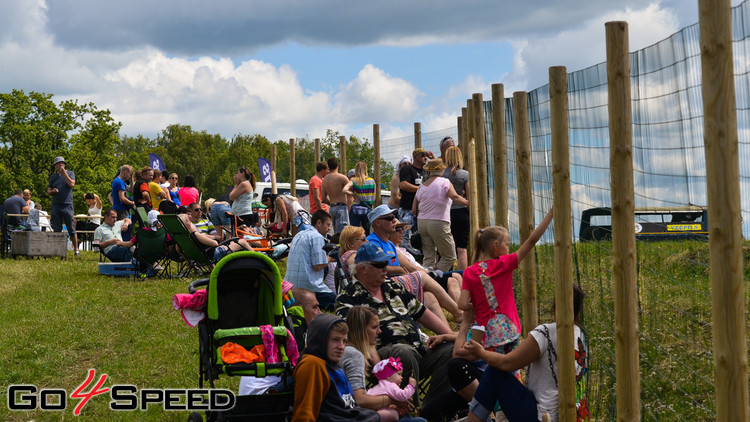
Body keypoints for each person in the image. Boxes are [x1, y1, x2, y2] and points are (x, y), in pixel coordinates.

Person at [335, 242, 456, 406]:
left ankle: (432, 408)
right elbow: (352, 337)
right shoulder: (349, 298)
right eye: (380, 265)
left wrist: (449, 335)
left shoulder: (393, 287)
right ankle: (408, 406)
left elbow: (422, 313)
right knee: (404, 352)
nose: (386, 268)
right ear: (362, 268)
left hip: (417, 348)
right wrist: (377, 363)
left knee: (452, 349)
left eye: (386, 263)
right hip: (379, 359)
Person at [464, 285, 589, 422]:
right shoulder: (581, 338)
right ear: (579, 312)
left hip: (542, 416)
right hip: (572, 415)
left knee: (494, 373)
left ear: (555, 306)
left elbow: (506, 363)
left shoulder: (546, 333)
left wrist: (481, 352)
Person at [458, 209, 554, 355]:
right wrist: (550, 215)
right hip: (510, 329)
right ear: (495, 245)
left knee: (494, 366)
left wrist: (476, 304)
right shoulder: (504, 264)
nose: (509, 249)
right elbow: (531, 241)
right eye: (507, 245)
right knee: (512, 366)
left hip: (487, 334)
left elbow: (462, 304)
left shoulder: (469, 272)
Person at [366, 204, 463, 324]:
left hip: (401, 282)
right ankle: (459, 312)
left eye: (394, 217)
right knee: (429, 276)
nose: (394, 221)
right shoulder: (372, 243)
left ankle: (447, 333)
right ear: (378, 223)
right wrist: (400, 270)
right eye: (389, 218)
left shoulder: (389, 244)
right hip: (388, 284)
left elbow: (409, 266)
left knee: (428, 296)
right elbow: (375, 267)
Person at [292, 313, 379, 422]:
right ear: (320, 339)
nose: (341, 347)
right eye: (335, 340)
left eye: (344, 341)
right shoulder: (312, 364)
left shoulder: (334, 363)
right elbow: (304, 413)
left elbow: (351, 405)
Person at [412, 158, 469, 272]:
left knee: (428, 258)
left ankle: (427, 280)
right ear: (442, 170)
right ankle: (435, 277)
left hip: (422, 223)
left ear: (429, 171)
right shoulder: (444, 182)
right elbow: (455, 196)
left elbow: (414, 210)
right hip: (439, 222)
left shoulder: (421, 186)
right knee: (450, 256)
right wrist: (468, 203)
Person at [389, 219, 462, 305]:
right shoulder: (394, 250)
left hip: (423, 273)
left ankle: (465, 309)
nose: (401, 232)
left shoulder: (402, 249)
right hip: (420, 276)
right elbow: (410, 268)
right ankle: (462, 311)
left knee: (458, 275)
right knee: (456, 277)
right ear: (388, 233)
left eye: (402, 229)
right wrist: (431, 273)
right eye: (397, 229)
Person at [283, 210, 335, 311]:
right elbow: (318, 266)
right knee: (338, 303)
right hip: (310, 288)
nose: (329, 228)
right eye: (328, 225)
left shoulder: (299, 234)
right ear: (319, 223)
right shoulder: (317, 237)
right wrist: (330, 258)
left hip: (290, 289)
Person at [443, 146, 470, 270]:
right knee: (462, 250)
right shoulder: (465, 174)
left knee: (447, 250)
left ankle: (448, 277)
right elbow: (469, 198)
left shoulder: (442, 174)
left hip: (445, 213)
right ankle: (462, 279)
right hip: (461, 212)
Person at [398, 148, 429, 250]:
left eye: (426, 155)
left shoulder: (426, 171)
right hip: (408, 210)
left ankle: (420, 259)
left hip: (422, 211)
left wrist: (432, 158)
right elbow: (403, 184)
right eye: (423, 155)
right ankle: (407, 259)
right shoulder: (407, 169)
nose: (425, 157)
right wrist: (421, 189)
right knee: (407, 238)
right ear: (415, 157)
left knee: (422, 238)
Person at [47, 156, 79, 255]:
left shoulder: (70, 173)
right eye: (58, 163)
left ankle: (76, 250)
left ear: (64, 164)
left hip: (67, 205)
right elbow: (48, 191)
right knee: (56, 229)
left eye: (62, 163)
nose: (60, 164)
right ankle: (58, 250)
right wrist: (53, 191)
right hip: (56, 205)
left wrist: (64, 172)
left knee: (71, 228)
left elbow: (72, 184)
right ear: (55, 165)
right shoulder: (53, 176)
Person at [343, 161, 376, 233]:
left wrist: (353, 194)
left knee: (355, 233)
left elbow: (344, 190)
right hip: (368, 209)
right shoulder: (372, 181)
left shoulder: (354, 180)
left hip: (355, 209)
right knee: (367, 232)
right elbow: (374, 198)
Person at [322, 157, 350, 233]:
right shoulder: (342, 177)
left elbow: (323, 198)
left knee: (336, 233)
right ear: (337, 165)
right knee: (343, 233)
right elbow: (351, 191)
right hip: (341, 207)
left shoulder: (324, 180)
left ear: (328, 166)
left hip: (332, 208)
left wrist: (331, 203)